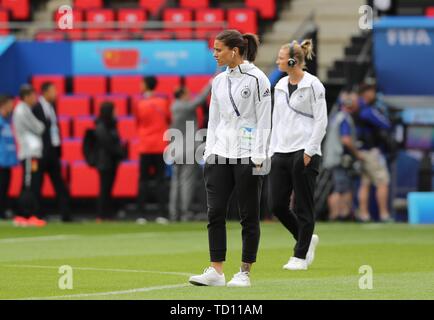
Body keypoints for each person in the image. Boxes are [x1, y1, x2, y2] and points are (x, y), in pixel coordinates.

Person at [188, 29, 272, 287]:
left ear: (234, 51)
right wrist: (210, 152)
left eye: (218, 49)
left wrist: (260, 155)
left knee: (248, 215)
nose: (214, 54)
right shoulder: (218, 82)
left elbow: (265, 118)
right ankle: (216, 270)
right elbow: (214, 119)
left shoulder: (258, 79)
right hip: (220, 154)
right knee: (215, 213)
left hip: (248, 154)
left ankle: (245, 272)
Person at [269, 39, 328, 270]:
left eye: (281, 58)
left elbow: (321, 120)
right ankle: (306, 238)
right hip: (281, 151)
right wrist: (271, 150)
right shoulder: (280, 85)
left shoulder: (314, 85)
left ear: (293, 61)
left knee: (304, 206)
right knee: (276, 205)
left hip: (304, 151)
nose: (277, 61)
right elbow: (277, 119)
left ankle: (300, 256)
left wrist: (310, 150)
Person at [168, 80, 212, 222]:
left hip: (176, 149)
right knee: (187, 182)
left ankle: (174, 212)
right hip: (188, 148)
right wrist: (211, 83)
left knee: (176, 182)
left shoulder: (174, 106)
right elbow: (199, 100)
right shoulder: (184, 106)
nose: (190, 96)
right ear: (182, 95)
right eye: (187, 94)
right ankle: (185, 213)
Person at [32, 82, 72, 222]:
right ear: (45, 92)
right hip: (41, 152)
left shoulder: (52, 106)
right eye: (53, 91)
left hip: (53, 151)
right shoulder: (36, 107)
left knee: (59, 183)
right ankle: (37, 214)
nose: (56, 93)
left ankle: (65, 215)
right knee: (37, 183)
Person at [354, 83, 392, 222]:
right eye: (372, 92)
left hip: (361, 150)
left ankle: (364, 214)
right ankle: (384, 214)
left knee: (365, 183)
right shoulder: (367, 110)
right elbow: (385, 124)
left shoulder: (356, 107)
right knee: (382, 181)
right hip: (371, 152)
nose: (374, 95)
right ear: (367, 93)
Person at [323, 91, 364, 221]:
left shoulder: (335, 117)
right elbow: (346, 140)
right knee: (342, 187)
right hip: (339, 157)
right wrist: (357, 153)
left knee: (338, 186)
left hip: (332, 156)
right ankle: (339, 215)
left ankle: (338, 214)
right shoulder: (344, 118)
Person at [135, 76, 171, 222]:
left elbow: (137, 122)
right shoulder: (163, 102)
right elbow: (169, 119)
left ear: (146, 85)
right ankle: (162, 214)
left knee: (143, 181)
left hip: (145, 146)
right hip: (160, 146)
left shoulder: (139, 103)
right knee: (160, 181)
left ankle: (141, 215)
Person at [12, 84, 46, 227]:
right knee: (28, 184)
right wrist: (40, 126)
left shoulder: (25, 109)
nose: (35, 99)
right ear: (26, 97)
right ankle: (25, 214)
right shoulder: (21, 110)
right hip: (28, 153)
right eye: (33, 96)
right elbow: (39, 127)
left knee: (31, 184)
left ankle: (26, 214)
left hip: (32, 154)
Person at [95, 102, 126, 220]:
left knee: (108, 189)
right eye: (114, 110)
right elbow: (107, 143)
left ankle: (106, 213)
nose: (116, 112)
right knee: (104, 188)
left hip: (111, 161)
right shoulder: (102, 126)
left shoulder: (111, 125)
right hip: (104, 162)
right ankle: (101, 214)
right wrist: (119, 152)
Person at [0, 95, 18, 220]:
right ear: (3, 104)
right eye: (10, 104)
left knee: (5, 187)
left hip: (7, 160)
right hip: (0, 161)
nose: (12, 106)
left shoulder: (7, 121)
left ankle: (3, 211)